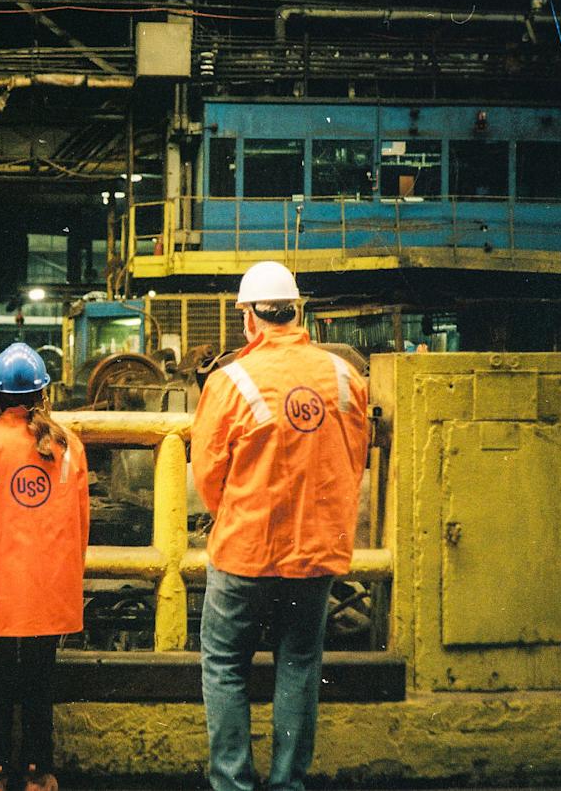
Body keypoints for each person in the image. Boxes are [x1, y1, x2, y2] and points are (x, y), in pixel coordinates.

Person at [190, 261, 369, 791]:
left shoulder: (229, 382)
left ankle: (232, 783)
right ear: (298, 311)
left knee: (224, 664)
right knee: (299, 665)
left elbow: (208, 474)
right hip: (316, 552)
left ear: (248, 318)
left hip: (246, 550)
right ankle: (289, 784)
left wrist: (238, 513)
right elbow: (353, 459)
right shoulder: (345, 377)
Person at [0, 343, 89, 791]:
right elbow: (80, 525)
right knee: (39, 679)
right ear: (42, 393)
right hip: (48, 588)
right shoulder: (70, 447)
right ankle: (37, 771)